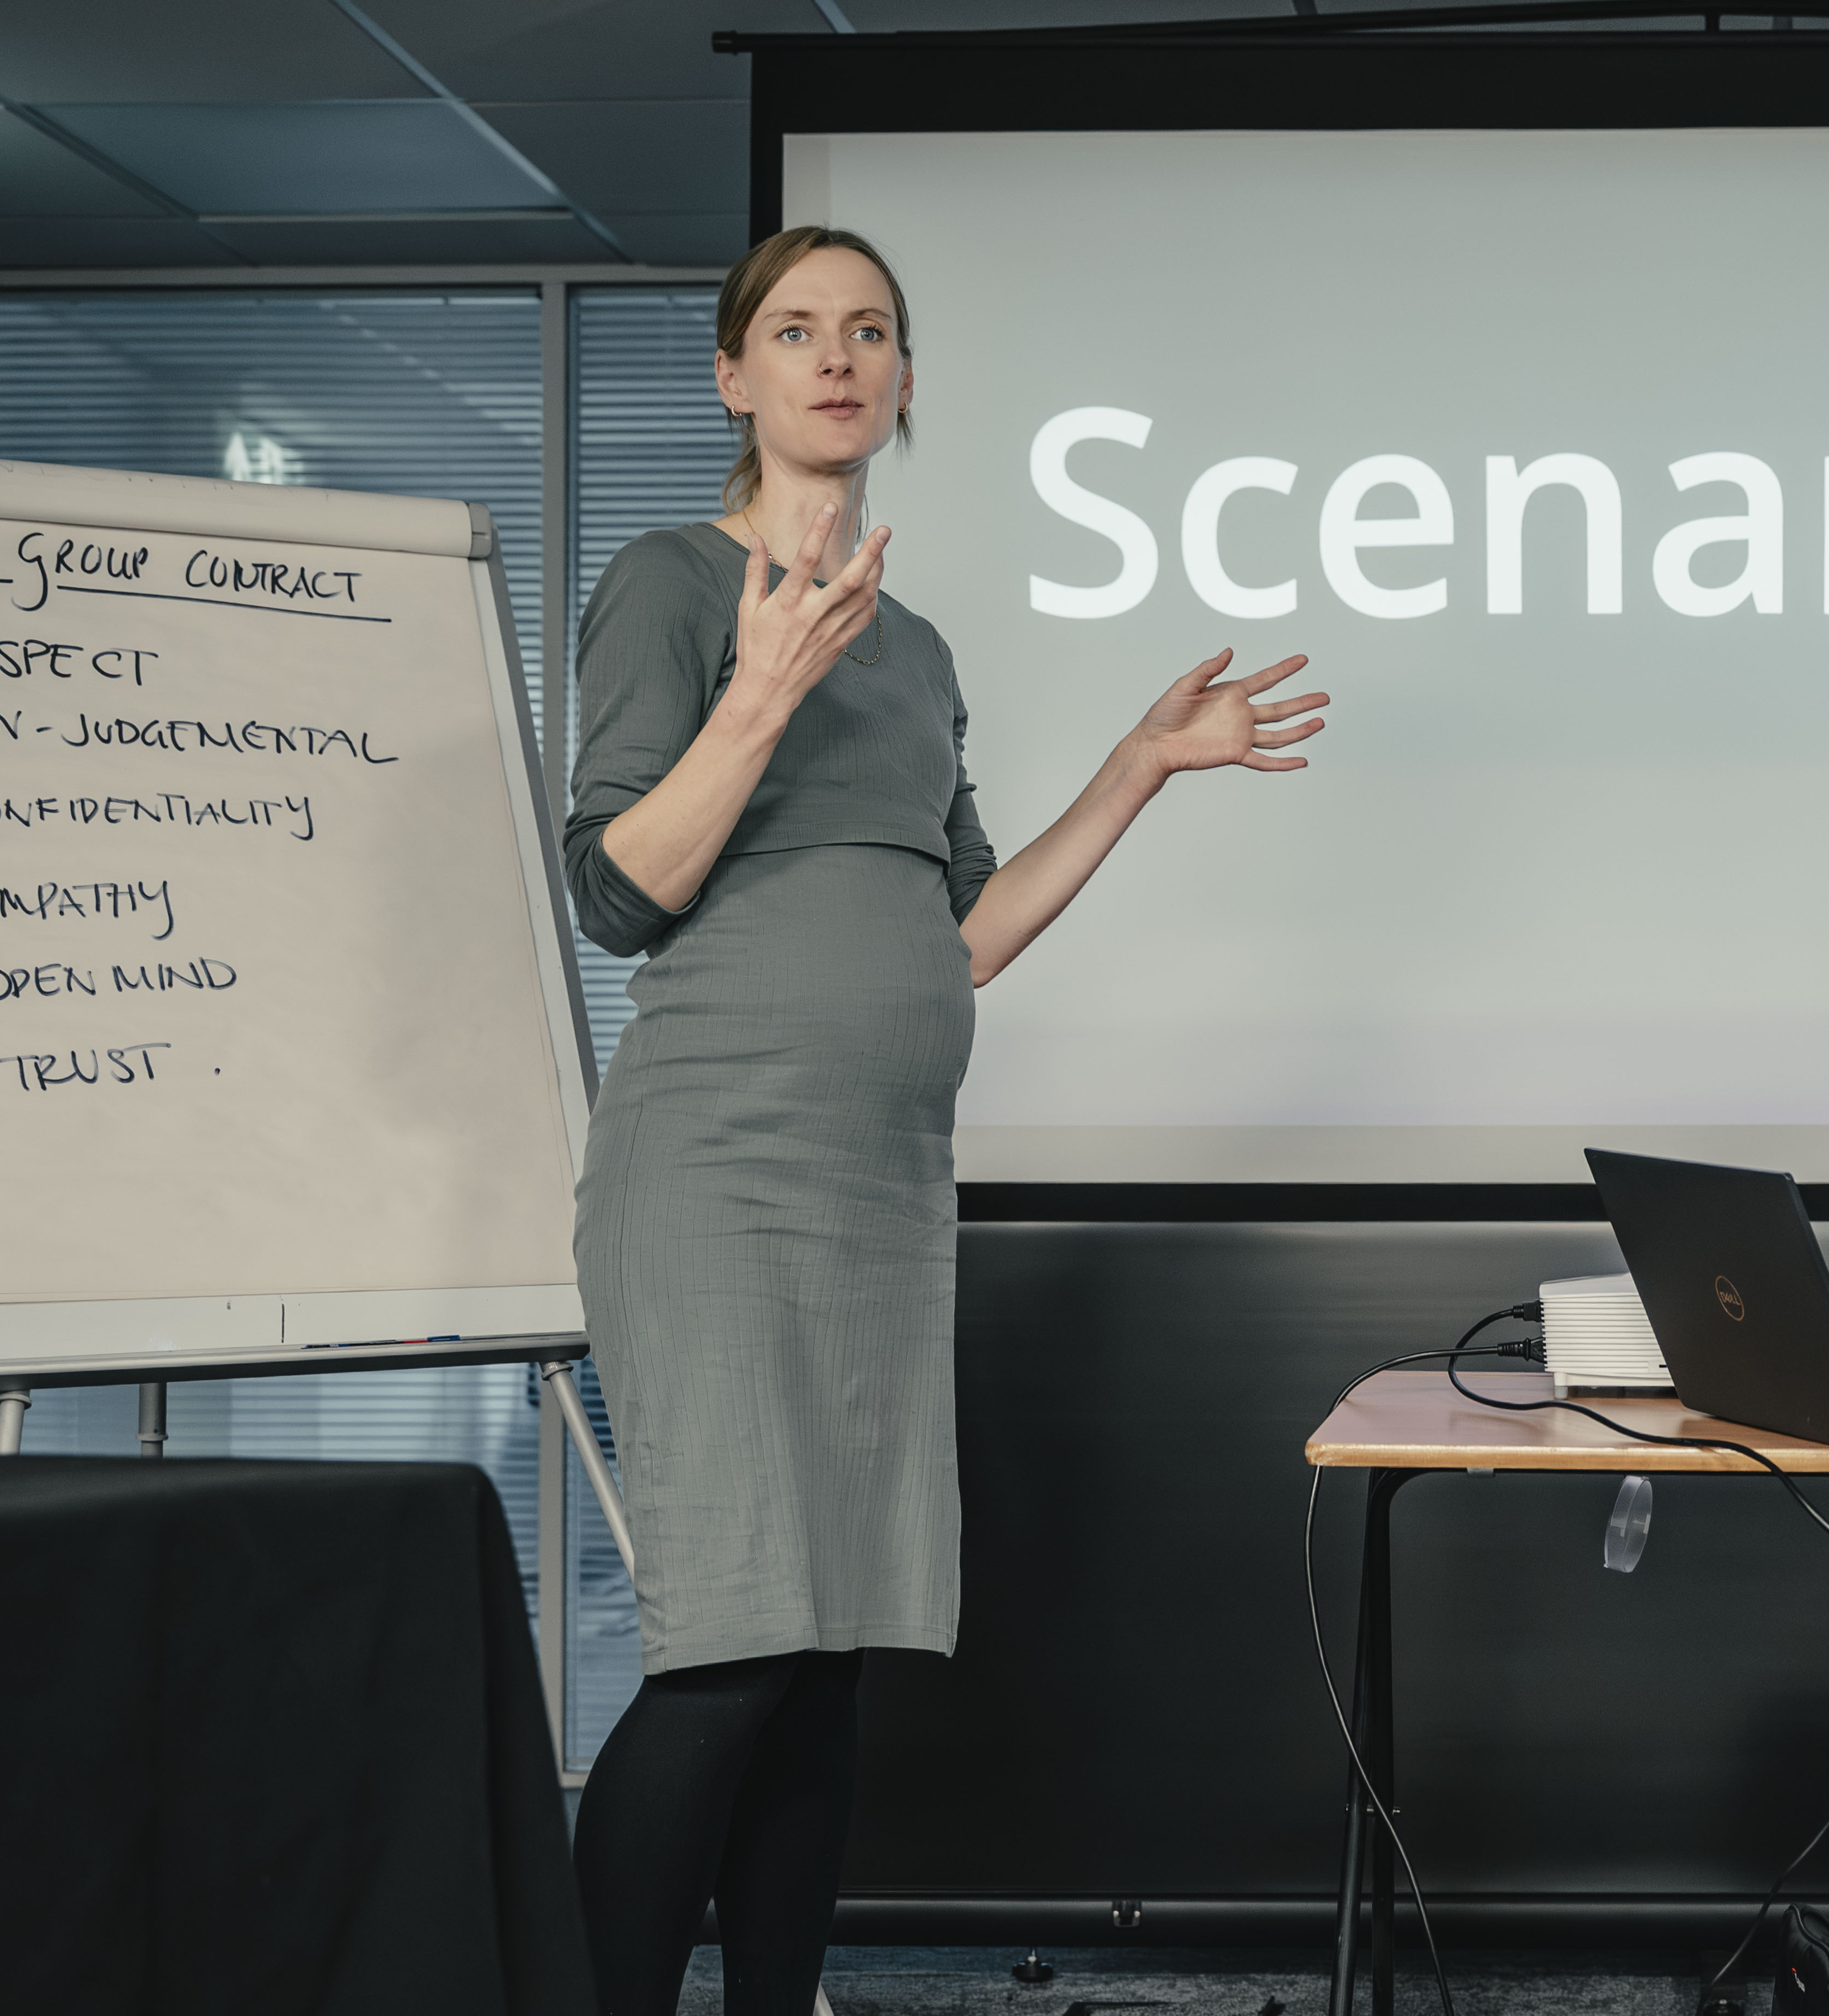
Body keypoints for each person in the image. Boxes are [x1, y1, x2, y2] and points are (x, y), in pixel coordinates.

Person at [560, 225, 1331, 2015]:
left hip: (881, 1190)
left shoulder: (913, 647)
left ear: (906, 382)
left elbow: (961, 935)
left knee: (829, 1654)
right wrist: (759, 691)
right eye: (798, 330)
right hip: (715, 1173)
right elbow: (617, 892)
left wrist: (1139, 770)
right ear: (733, 375)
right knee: (728, 1651)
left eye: (873, 333)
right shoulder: (670, 585)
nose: (838, 358)